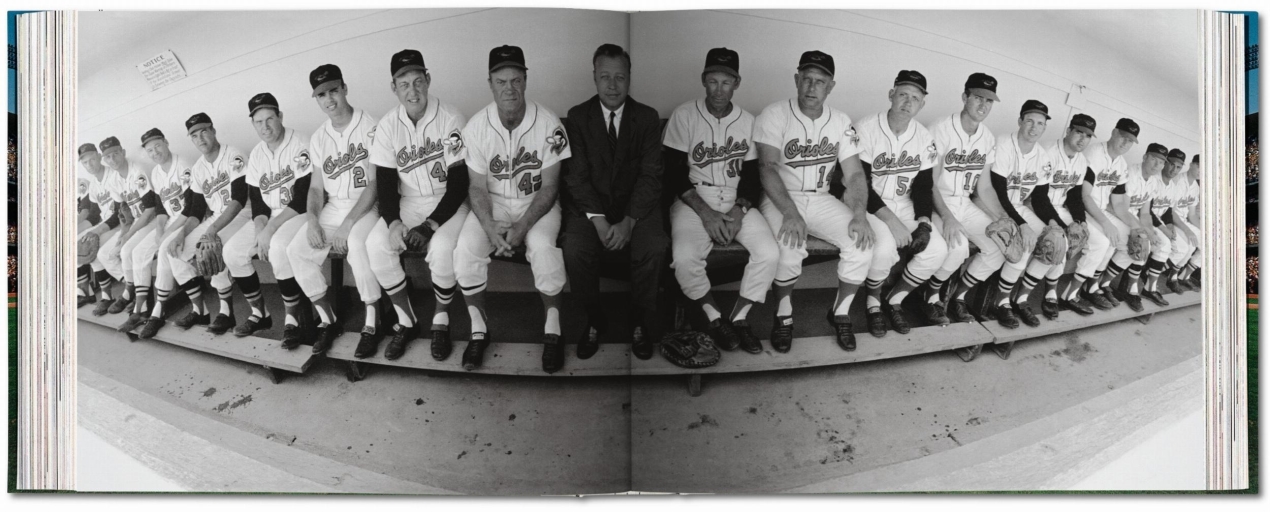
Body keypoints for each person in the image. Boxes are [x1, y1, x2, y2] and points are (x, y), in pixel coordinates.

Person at [454, 45, 572, 373]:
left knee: (544, 248)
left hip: (537, 203)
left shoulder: (548, 123)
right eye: (501, 81)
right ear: (490, 83)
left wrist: (523, 227)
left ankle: (553, 330)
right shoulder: (477, 126)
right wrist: (489, 226)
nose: (509, 88)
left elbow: (550, 186)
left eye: (516, 80)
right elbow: (476, 187)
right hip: (493, 204)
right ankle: (479, 331)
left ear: (525, 80)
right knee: (465, 250)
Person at [754, 50, 875, 353]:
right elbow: (767, 168)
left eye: (820, 81)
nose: (811, 87)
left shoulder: (841, 120)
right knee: (789, 244)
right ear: (796, 79)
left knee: (862, 241)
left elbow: (854, 174)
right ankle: (783, 315)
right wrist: (790, 213)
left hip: (821, 198)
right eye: (806, 79)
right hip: (782, 197)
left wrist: (859, 213)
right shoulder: (774, 113)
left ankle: (841, 312)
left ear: (830, 86)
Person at [662, 47, 775, 354]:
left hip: (736, 198)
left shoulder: (748, 121)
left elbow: (751, 176)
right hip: (693, 198)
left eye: (726, 82)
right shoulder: (684, 115)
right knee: (685, 257)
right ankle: (714, 318)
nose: (719, 89)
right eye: (713, 81)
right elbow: (674, 174)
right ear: (703, 80)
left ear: (737, 83)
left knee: (769, 253)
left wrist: (740, 210)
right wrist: (706, 214)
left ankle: (739, 318)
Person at [362, 49, 472, 361]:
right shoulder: (388, 125)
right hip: (409, 201)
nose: (413, 91)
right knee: (375, 244)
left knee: (442, 248)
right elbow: (385, 182)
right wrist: (393, 221)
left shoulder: (451, 118)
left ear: (428, 80)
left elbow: (460, 183)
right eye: (404, 84)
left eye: (418, 81)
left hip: (449, 200)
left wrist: (430, 225)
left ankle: (440, 320)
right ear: (394, 88)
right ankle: (407, 321)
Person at [562, 43, 669, 362]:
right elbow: (576, 177)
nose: (612, 85)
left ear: (629, 78)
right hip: (590, 208)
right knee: (575, 248)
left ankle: (638, 320)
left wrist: (629, 221)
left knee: (654, 246)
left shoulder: (647, 117)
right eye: (604, 76)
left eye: (619, 77)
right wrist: (598, 221)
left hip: (636, 208)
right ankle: (594, 320)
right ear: (594, 77)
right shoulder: (577, 117)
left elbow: (651, 176)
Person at [285, 64, 383, 355]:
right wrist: (313, 221)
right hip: (334, 207)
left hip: (367, 205)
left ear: (344, 88)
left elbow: (376, 184)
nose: (329, 99)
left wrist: (348, 224)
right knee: (296, 250)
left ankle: (372, 322)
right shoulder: (319, 137)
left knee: (357, 244)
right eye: (321, 94)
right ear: (316, 98)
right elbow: (316, 188)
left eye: (333, 90)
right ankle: (329, 321)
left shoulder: (372, 125)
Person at [139, 113, 253, 337]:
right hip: (215, 217)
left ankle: (226, 311)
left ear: (213, 131)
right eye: (194, 135)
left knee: (210, 247)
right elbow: (197, 211)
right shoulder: (199, 167)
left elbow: (239, 199)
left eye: (204, 132)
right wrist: (180, 235)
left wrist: (211, 231)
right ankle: (199, 311)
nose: (200, 138)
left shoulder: (234, 155)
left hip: (242, 214)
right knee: (173, 249)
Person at [854, 69, 948, 337]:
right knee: (884, 247)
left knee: (937, 249)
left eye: (915, 98)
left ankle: (893, 299)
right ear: (891, 94)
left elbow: (923, 186)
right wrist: (892, 222)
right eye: (903, 95)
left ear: (922, 104)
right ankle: (873, 303)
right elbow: (860, 184)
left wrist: (924, 222)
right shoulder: (866, 128)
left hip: (903, 202)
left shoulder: (923, 136)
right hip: (869, 203)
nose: (908, 102)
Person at [229, 93, 313, 343]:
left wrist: (270, 230)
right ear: (253, 124)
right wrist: (260, 229)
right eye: (258, 122)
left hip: (299, 212)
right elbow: (257, 200)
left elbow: (303, 197)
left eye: (269, 119)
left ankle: (292, 320)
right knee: (232, 251)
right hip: (270, 215)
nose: (265, 126)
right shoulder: (257, 153)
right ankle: (260, 314)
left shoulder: (300, 142)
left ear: (280, 117)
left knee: (277, 247)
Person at [971, 100, 1054, 329]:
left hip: (1017, 206)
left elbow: (1040, 199)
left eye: (1040, 123)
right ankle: (1001, 302)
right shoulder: (1003, 144)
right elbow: (998, 192)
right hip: (989, 203)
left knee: (1054, 240)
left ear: (1044, 127)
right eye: (1029, 121)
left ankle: (1020, 299)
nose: (1034, 127)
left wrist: (1055, 224)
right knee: (1022, 241)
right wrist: (1021, 225)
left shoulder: (1042, 156)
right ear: (1020, 121)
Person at [927, 73, 1001, 325]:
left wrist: (1002, 218)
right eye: (978, 97)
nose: (983, 105)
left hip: (965, 203)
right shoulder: (940, 128)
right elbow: (929, 183)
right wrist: (947, 217)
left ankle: (957, 297)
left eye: (989, 101)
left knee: (998, 245)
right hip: (938, 201)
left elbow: (985, 187)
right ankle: (931, 296)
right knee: (958, 248)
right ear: (964, 97)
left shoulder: (987, 137)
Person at [117, 129, 193, 333]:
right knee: (138, 252)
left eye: (157, 145)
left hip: (189, 220)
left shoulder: (183, 165)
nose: (155, 152)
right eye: (149, 150)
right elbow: (161, 209)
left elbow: (191, 207)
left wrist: (166, 235)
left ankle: (158, 311)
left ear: (166, 142)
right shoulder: (156, 173)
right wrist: (160, 230)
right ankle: (141, 308)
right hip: (170, 222)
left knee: (166, 250)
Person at [1036, 114, 1105, 318]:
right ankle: (1050, 291)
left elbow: (1075, 196)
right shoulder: (1047, 152)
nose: (1083, 139)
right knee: (1062, 240)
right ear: (1068, 131)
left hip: (1060, 207)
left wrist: (1080, 222)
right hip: (1036, 206)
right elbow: (1038, 196)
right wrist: (1062, 226)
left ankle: (1071, 294)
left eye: (1088, 136)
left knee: (1099, 241)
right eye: (1079, 132)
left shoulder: (1081, 161)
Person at [1072, 118, 1140, 311]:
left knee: (1131, 238)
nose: (1126, 143)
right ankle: (1071, 294)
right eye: (1123, 137)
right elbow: (1084, 195)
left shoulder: (1121, 164)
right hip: (1083, 208)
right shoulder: (1094, 153)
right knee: (1103, 241)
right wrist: (1106, 223)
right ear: (1114, 132)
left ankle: (1093, 285)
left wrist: (1136, 227)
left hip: (1100, 209)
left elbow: (1118, 204)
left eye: (1130, 140)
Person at [98, 136, 155, 318]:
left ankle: (134, 295)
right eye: (108, 157)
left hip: (152, 220)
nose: (112, 159)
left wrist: (129, 234)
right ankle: (132, 289)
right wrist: (123, 233)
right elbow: (122, 211)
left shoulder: (138, 172)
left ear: (122, 152)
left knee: (128, 251)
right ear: (104, 159)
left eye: (115, 154)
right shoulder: (113, 180)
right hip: (136, 222)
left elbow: (151, 209)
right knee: (109, 253)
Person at [1123, 143, 1175, 309]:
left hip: (1135, 217)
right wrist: (1146, 232)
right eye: (1154, 159)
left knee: (1164, 244)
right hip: (1121, 214)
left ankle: (1149, 288)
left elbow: (1145, 213)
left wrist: (1151, 231)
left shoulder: (1152, 181)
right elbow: (1123, 208)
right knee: (1143, 243)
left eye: (1161, 162)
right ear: (1145, 157)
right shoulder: (1131, 172)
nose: (1157, 165)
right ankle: (1130, 289)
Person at [76, 143, 123, 310]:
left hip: (119, 223)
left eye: (92, 160)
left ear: (98, 156)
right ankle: (100, 295)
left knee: (91, 247)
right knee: (76, 243)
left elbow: (120, 212)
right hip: (105, 224)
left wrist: (96, 232)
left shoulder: (114, 175)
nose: (89, 165)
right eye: (85, 162)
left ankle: (113, 294)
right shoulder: (94, 183)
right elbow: (94, 215)